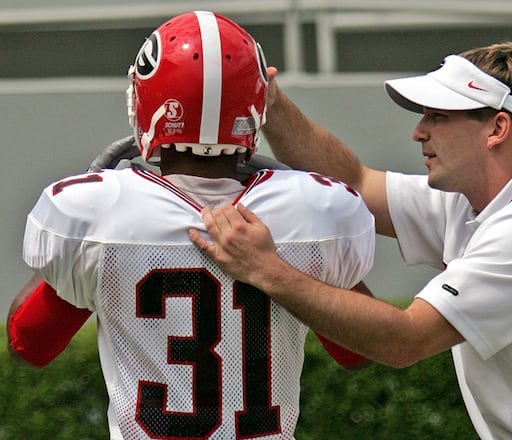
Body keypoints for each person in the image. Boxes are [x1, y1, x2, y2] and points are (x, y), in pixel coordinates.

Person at [190, 42, 512, 439]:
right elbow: (355, 182)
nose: (419, 132)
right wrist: (271, 105)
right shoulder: (471, 199)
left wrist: (266, 269)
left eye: (439, 115)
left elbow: (405, 339)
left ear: (497, 129)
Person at [8, 10, 375, 439]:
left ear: (145, 101)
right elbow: (359, 351)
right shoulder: (314, 209)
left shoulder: (99, 211)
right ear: (257, 106)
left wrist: (87, 261)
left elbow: (28, 344)